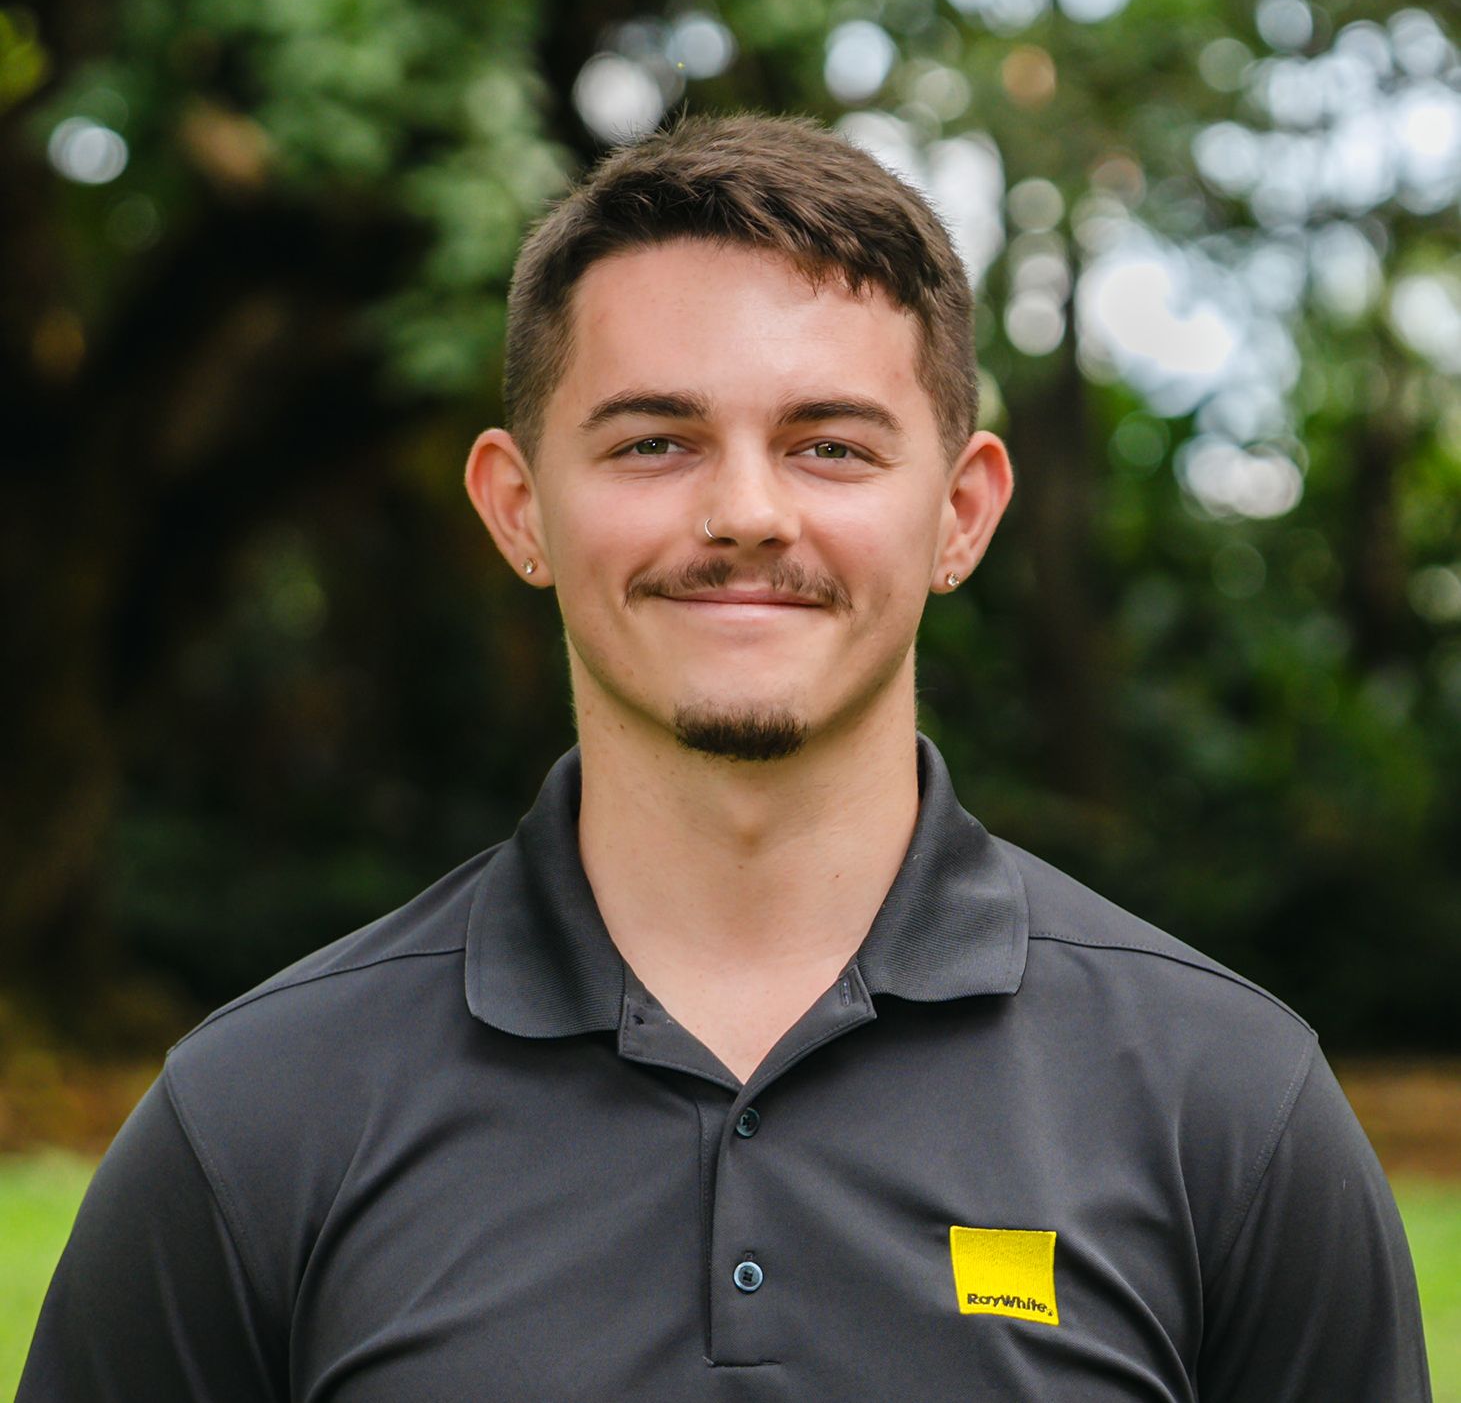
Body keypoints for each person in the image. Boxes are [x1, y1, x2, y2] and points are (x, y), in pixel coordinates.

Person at [21, 113, 1429, 1401]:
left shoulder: (1224, 1104)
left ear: (960, 512)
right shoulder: (255, 1117)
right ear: (518, 507)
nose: (747, 511)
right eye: (654, 442)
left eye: (831, 447)